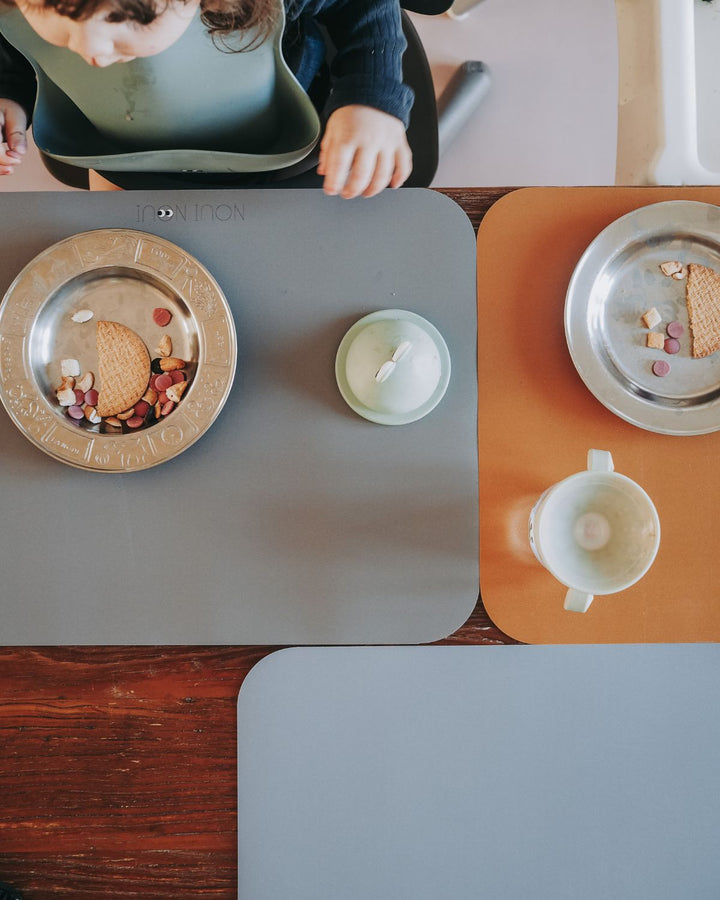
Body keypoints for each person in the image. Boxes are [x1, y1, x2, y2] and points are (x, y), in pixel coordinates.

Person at [0, 0, 414, 197]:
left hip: (274, 133)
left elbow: (363, 6)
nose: (92, 51)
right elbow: (16, 52)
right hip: (120, 152)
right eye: (45, 9)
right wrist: (9, 94)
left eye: (131, 19)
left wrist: (370, 97)